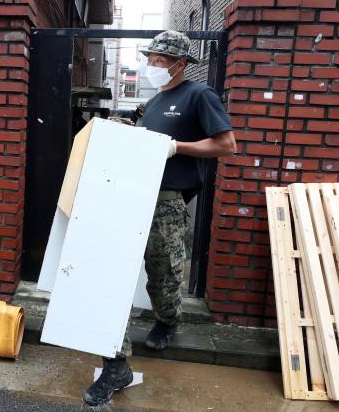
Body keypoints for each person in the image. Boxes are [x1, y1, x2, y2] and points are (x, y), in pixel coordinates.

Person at [82, 30, 237, 407]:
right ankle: (114, 362)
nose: (149, 66)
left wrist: (176, 147)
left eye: (156, 60)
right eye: (149, 58)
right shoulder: (154, 101)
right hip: (131, 197)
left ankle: (167, 319)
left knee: (164, 273)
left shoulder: (199, 96)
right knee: (111, 277)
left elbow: (226, 144)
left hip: (167, 203)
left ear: (179, 64)